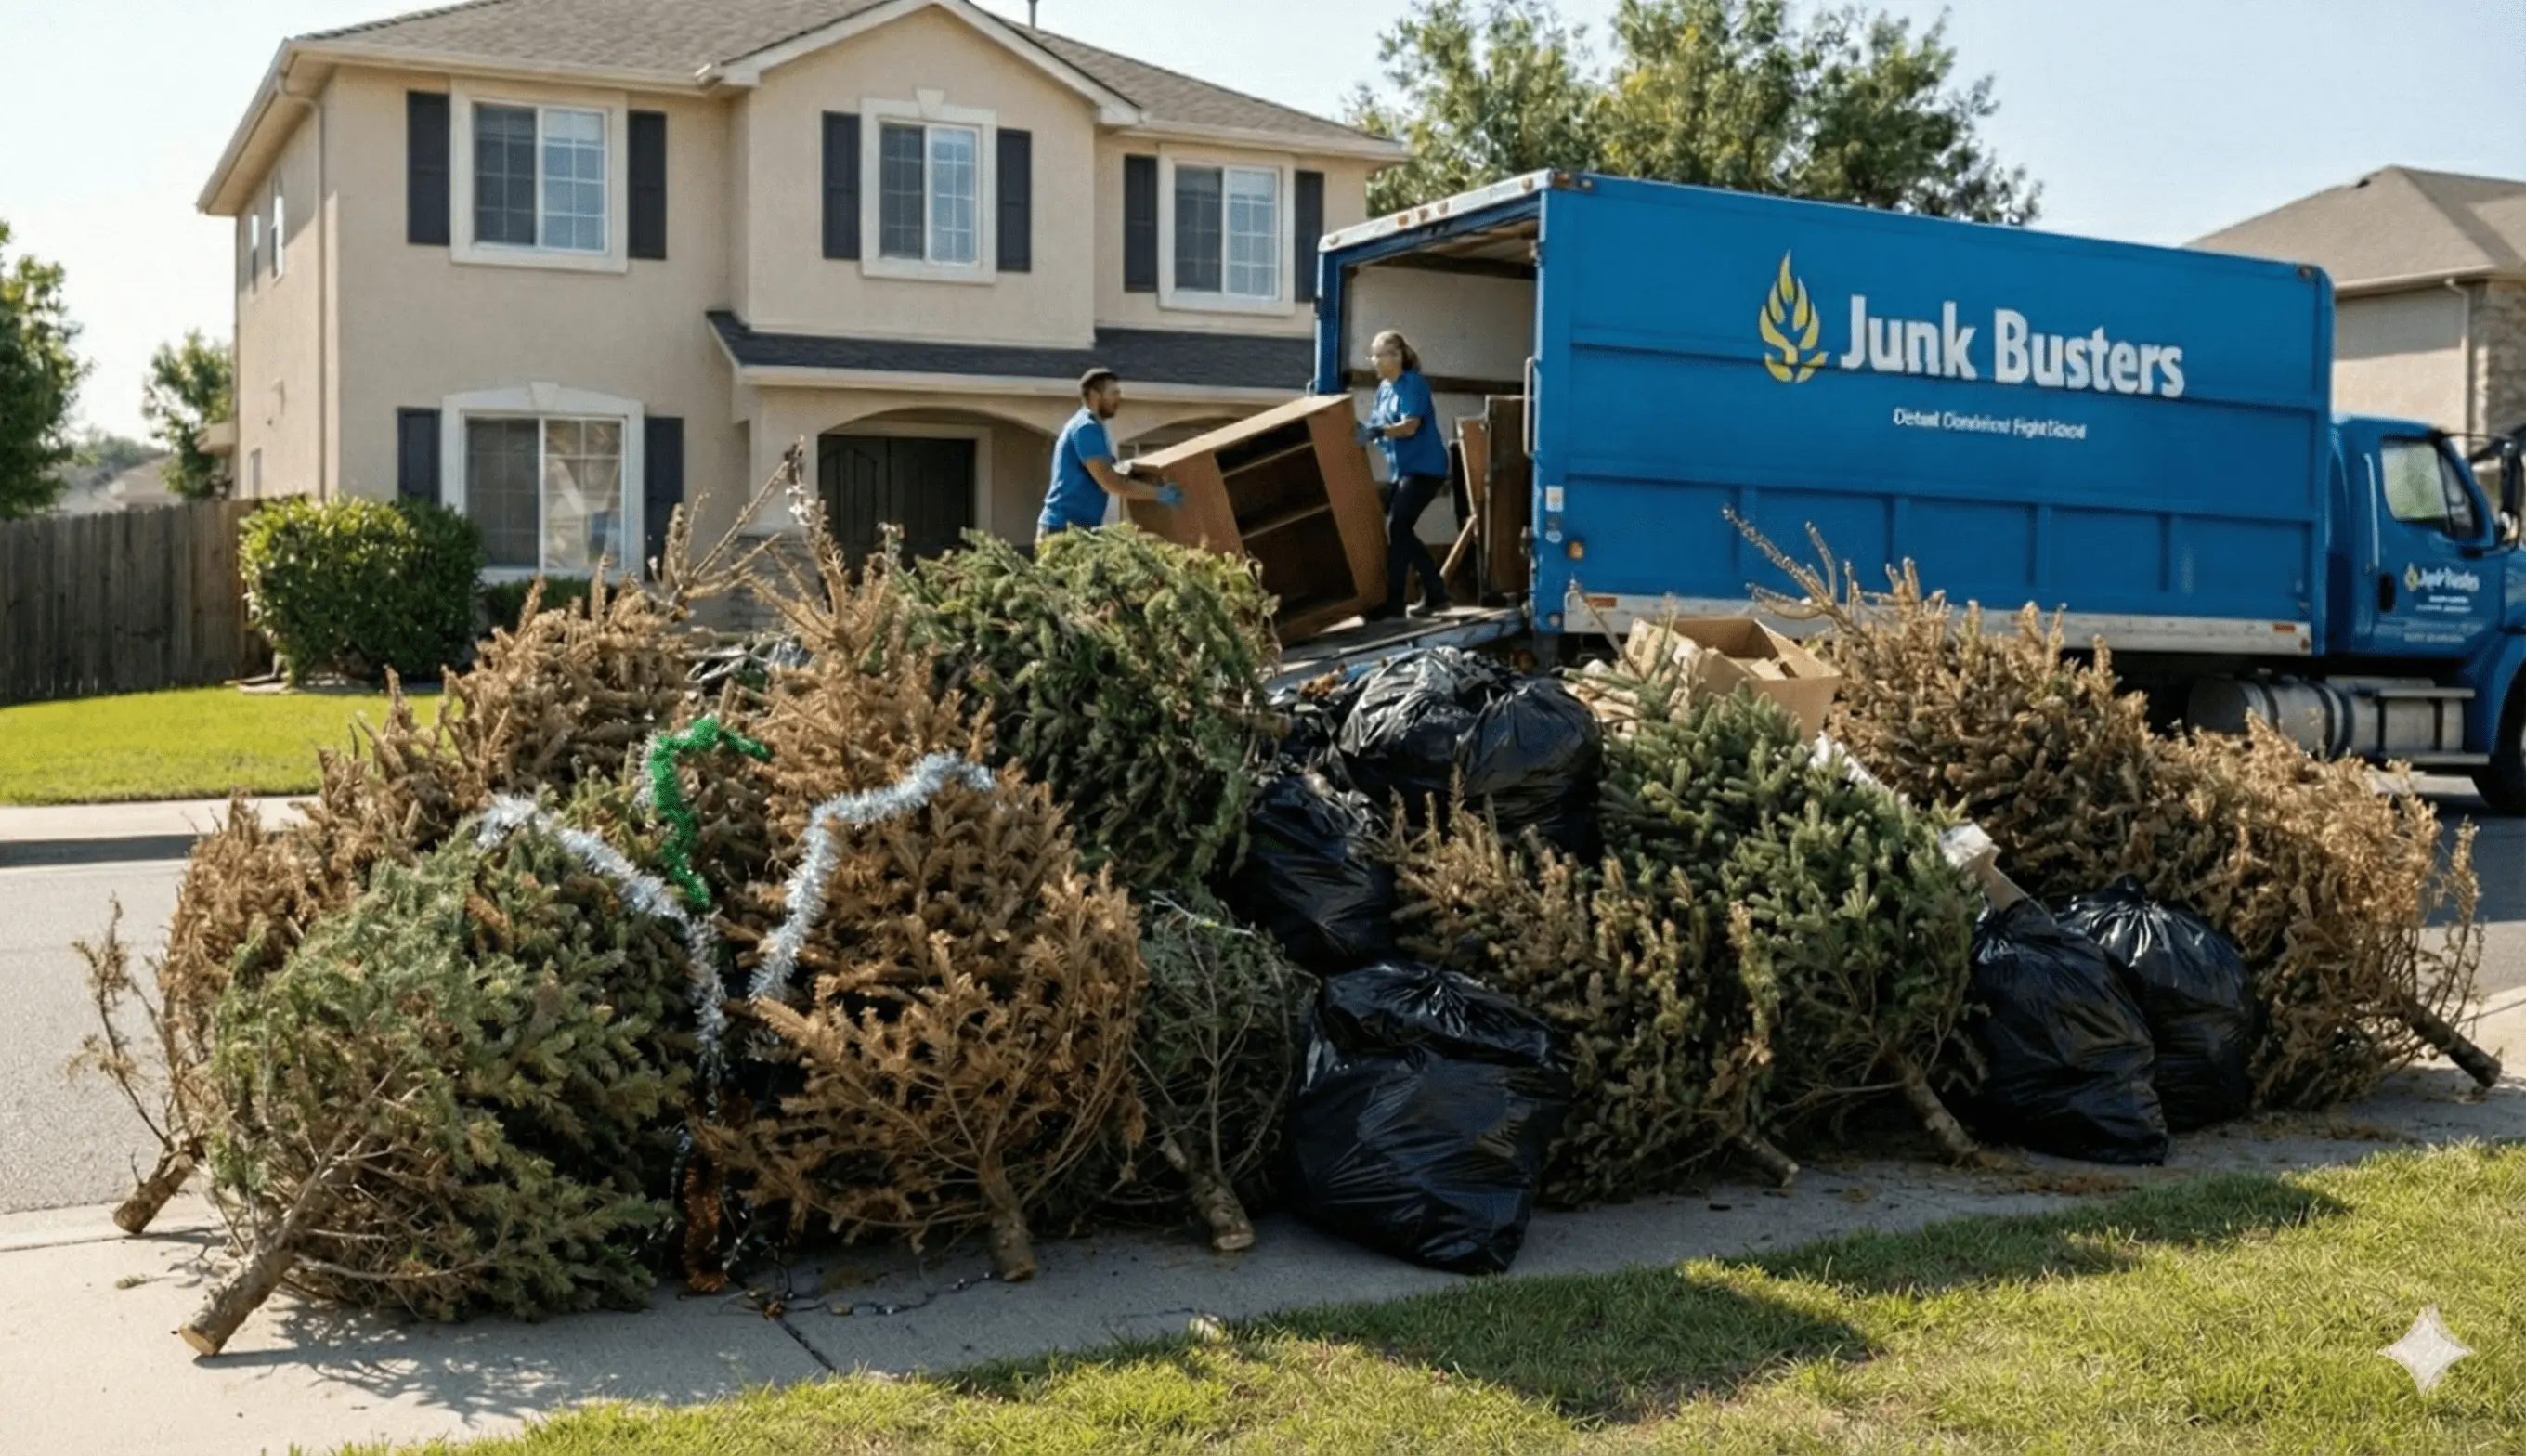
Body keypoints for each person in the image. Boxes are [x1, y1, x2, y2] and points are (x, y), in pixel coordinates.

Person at [1357, 331, 1452, 618]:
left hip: (1426, 468)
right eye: (1371, 355)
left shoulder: (1413, 385)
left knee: (1398, 526)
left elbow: (1410, 426)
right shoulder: (1384, 389)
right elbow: (1373, 428)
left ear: (1396, 357)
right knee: (1398, 531)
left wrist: (1379, 431)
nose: (1372, 360)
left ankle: (1427, 593)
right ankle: (1413, 599)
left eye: (1377, 354)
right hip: (1404, 470)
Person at [1037, 368, 1180, 548]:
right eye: (1114, 393)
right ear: (1095, 395)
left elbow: (1107, 470)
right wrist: (1160, 493)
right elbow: (1110, 482)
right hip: (1062, 530)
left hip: (1078, 529)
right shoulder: (1085, 428)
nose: (1120, 398)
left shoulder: (1093, 426)